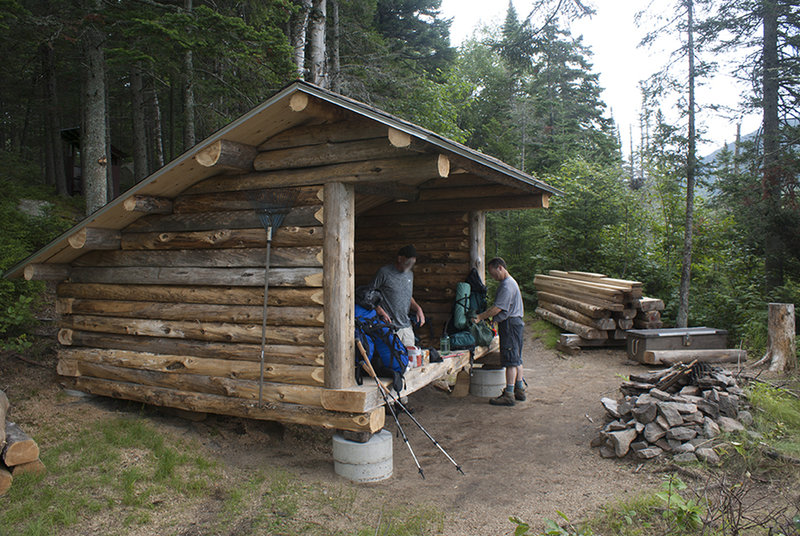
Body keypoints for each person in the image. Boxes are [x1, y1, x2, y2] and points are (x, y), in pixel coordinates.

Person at [472, 257, 525, 406]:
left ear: (500, 267)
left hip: (510, 325)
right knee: (517, 357)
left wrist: (480, 317)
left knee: (510, 360)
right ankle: (519, 389)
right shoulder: (510, 283)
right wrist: (494, 319)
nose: (493, 277)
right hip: (515, 323)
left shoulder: (507, 285)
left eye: (493, 273)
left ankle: (509, 394)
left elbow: (497, 308)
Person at [370, 245, 425, 347]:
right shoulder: (384, 273)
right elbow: (369, 294)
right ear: (400, 258)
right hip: (390, 328)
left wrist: (418, 308)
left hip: (407, 328)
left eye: (413, 260)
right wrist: (379, 310)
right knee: (393, 361)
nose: (412, 262)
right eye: (409, 259)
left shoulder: (410, 275)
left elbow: (407, 296)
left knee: (411, 360)